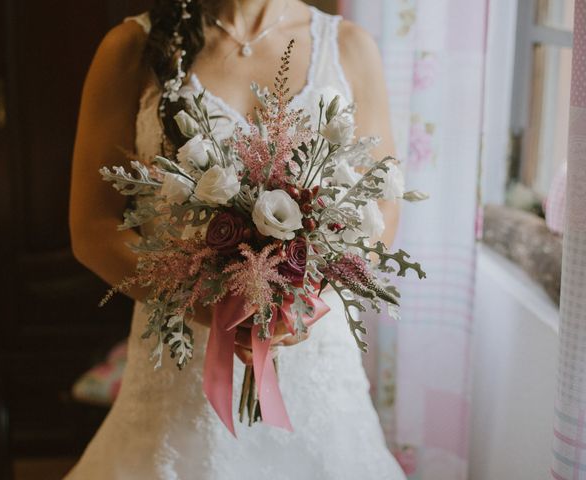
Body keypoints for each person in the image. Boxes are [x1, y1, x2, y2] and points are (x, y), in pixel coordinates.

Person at [67, 0, 404, 478]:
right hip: (177, 372)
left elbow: (382, 208)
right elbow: (92, 230)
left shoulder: (349, 47)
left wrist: (301, 302)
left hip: (314, 362)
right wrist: (206, 308)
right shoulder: (129, 49)